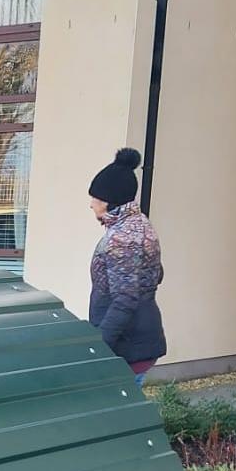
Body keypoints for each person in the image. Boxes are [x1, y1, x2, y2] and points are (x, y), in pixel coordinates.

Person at [87, 146, 166, 381]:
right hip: (140, 336)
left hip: (126, 346)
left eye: (95, 198)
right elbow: (156, 274)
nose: (91, 204)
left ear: (110, 202)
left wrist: (99, 347)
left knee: (117, 412)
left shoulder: (123, 238)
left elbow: (126, 298)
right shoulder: (140, 224)